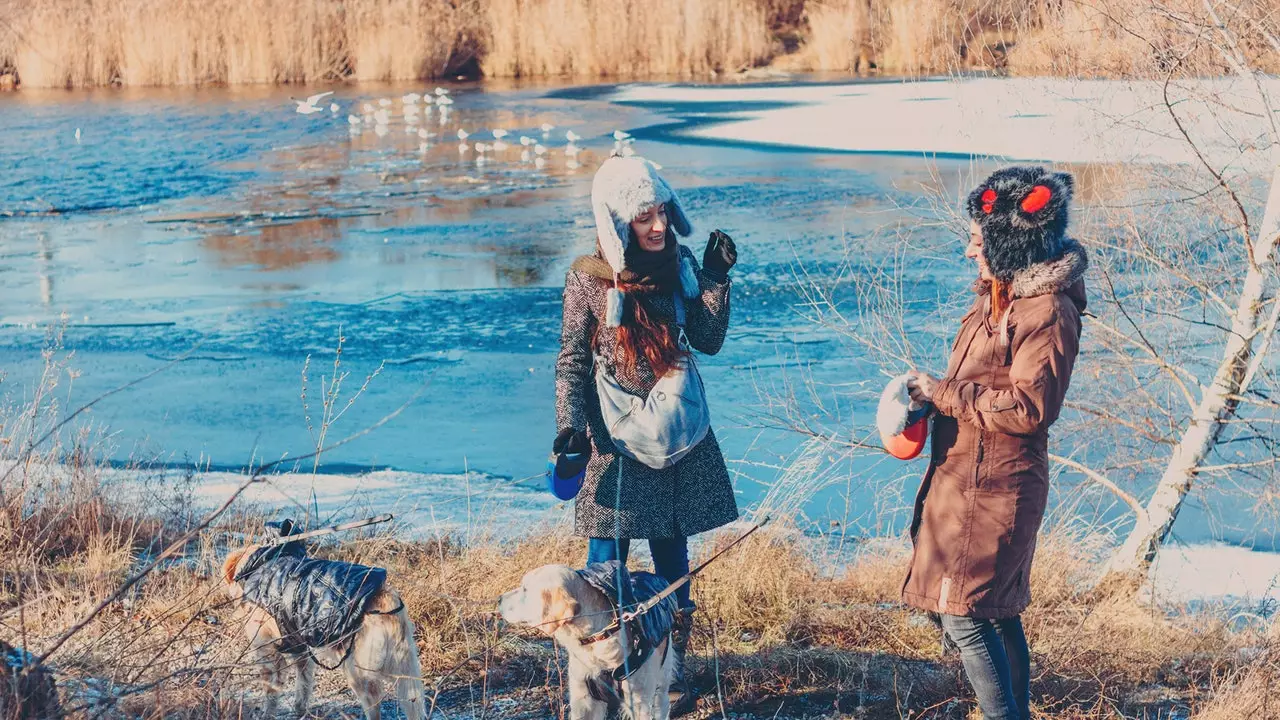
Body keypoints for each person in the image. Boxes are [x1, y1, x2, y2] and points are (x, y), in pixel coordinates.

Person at [554, 155, 739, 716]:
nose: (657, 226)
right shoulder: (590, 276)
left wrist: (714, 278)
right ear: (616, 221)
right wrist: (569, 428)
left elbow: (707, 340)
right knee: (603, 563)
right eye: (643, 217)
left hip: (676, 435)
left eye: (661, 211)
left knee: (670, 559)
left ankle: (668, 673)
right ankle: (595, 678)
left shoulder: (679, 265)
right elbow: (570, 364)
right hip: (611, 443)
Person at [902, 166, 1088, 720]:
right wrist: (926, 401)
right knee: (993, 611)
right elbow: (984, 386)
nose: (968, 251)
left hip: (999, 486)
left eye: (980, 241)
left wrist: (946, 393)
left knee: (966, 613)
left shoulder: (1047, 311)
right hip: (965, 477)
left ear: (1012, 245)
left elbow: (1031, 407)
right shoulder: (996, 300)